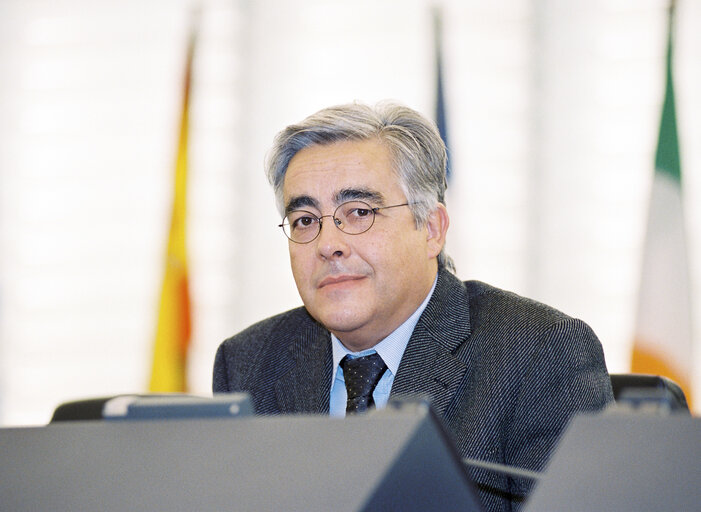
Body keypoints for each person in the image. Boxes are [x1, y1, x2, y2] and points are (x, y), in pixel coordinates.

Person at [213, 101, 613, 511]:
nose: (328, 244)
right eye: (305, 220)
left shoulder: (538, 351)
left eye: (358, 213)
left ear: (432, 230)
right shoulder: (248, 362)